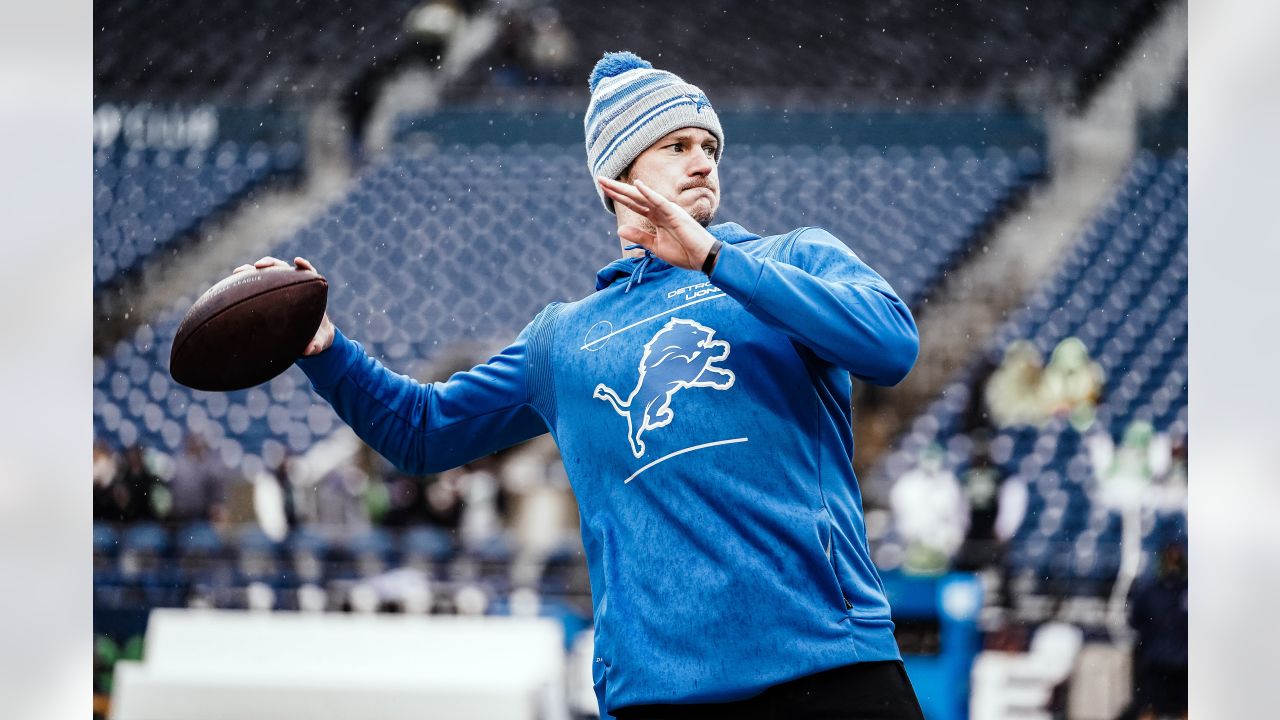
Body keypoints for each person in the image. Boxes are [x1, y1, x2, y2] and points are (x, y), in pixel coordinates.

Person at [238, 51, 923, 719]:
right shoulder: (563, 340)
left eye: (709, 145)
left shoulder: (788, 258)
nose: (704, 159)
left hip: (833, 670)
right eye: (677, 144)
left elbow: (891, 345)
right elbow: (418, 433)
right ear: (617, 176)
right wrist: (325, 350)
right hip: (662, 696)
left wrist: (716, 260)